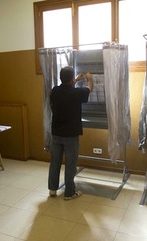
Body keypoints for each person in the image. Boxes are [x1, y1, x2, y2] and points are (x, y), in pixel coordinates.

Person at [48, 66, 93, 200]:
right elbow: (90, 89)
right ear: (72, 79)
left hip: (56, 134)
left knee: (55, 162)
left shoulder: (55, 91)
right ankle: (69, 193)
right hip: (70, 136)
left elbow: (66, 88)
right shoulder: (77, 93)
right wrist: (89, 79)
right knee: (70, 164)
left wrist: (76, 80)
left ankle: (52, 190)